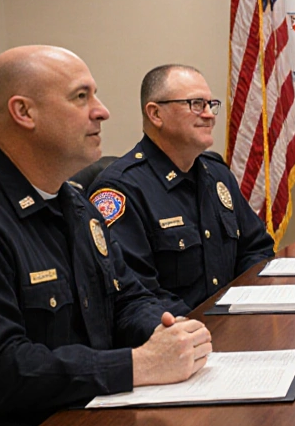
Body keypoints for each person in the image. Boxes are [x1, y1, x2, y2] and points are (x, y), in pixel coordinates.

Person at [0, 46, 212, 420]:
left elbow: (126, 298)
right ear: (24, 112)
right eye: (80, 96)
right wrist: (138, 364)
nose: (102, 111)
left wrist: (171, 331)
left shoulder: (72, 203)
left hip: (77, 415)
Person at [89, 64, 274, 315]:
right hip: (178, 337)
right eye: (196, 104)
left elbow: (256, 248)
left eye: (210, 104)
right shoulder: (122, 189)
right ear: (155, 114)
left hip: (234, 324)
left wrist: (245, 301)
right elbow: (137, 293)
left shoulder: (216, 173)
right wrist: (205, 327)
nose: (209, 114)